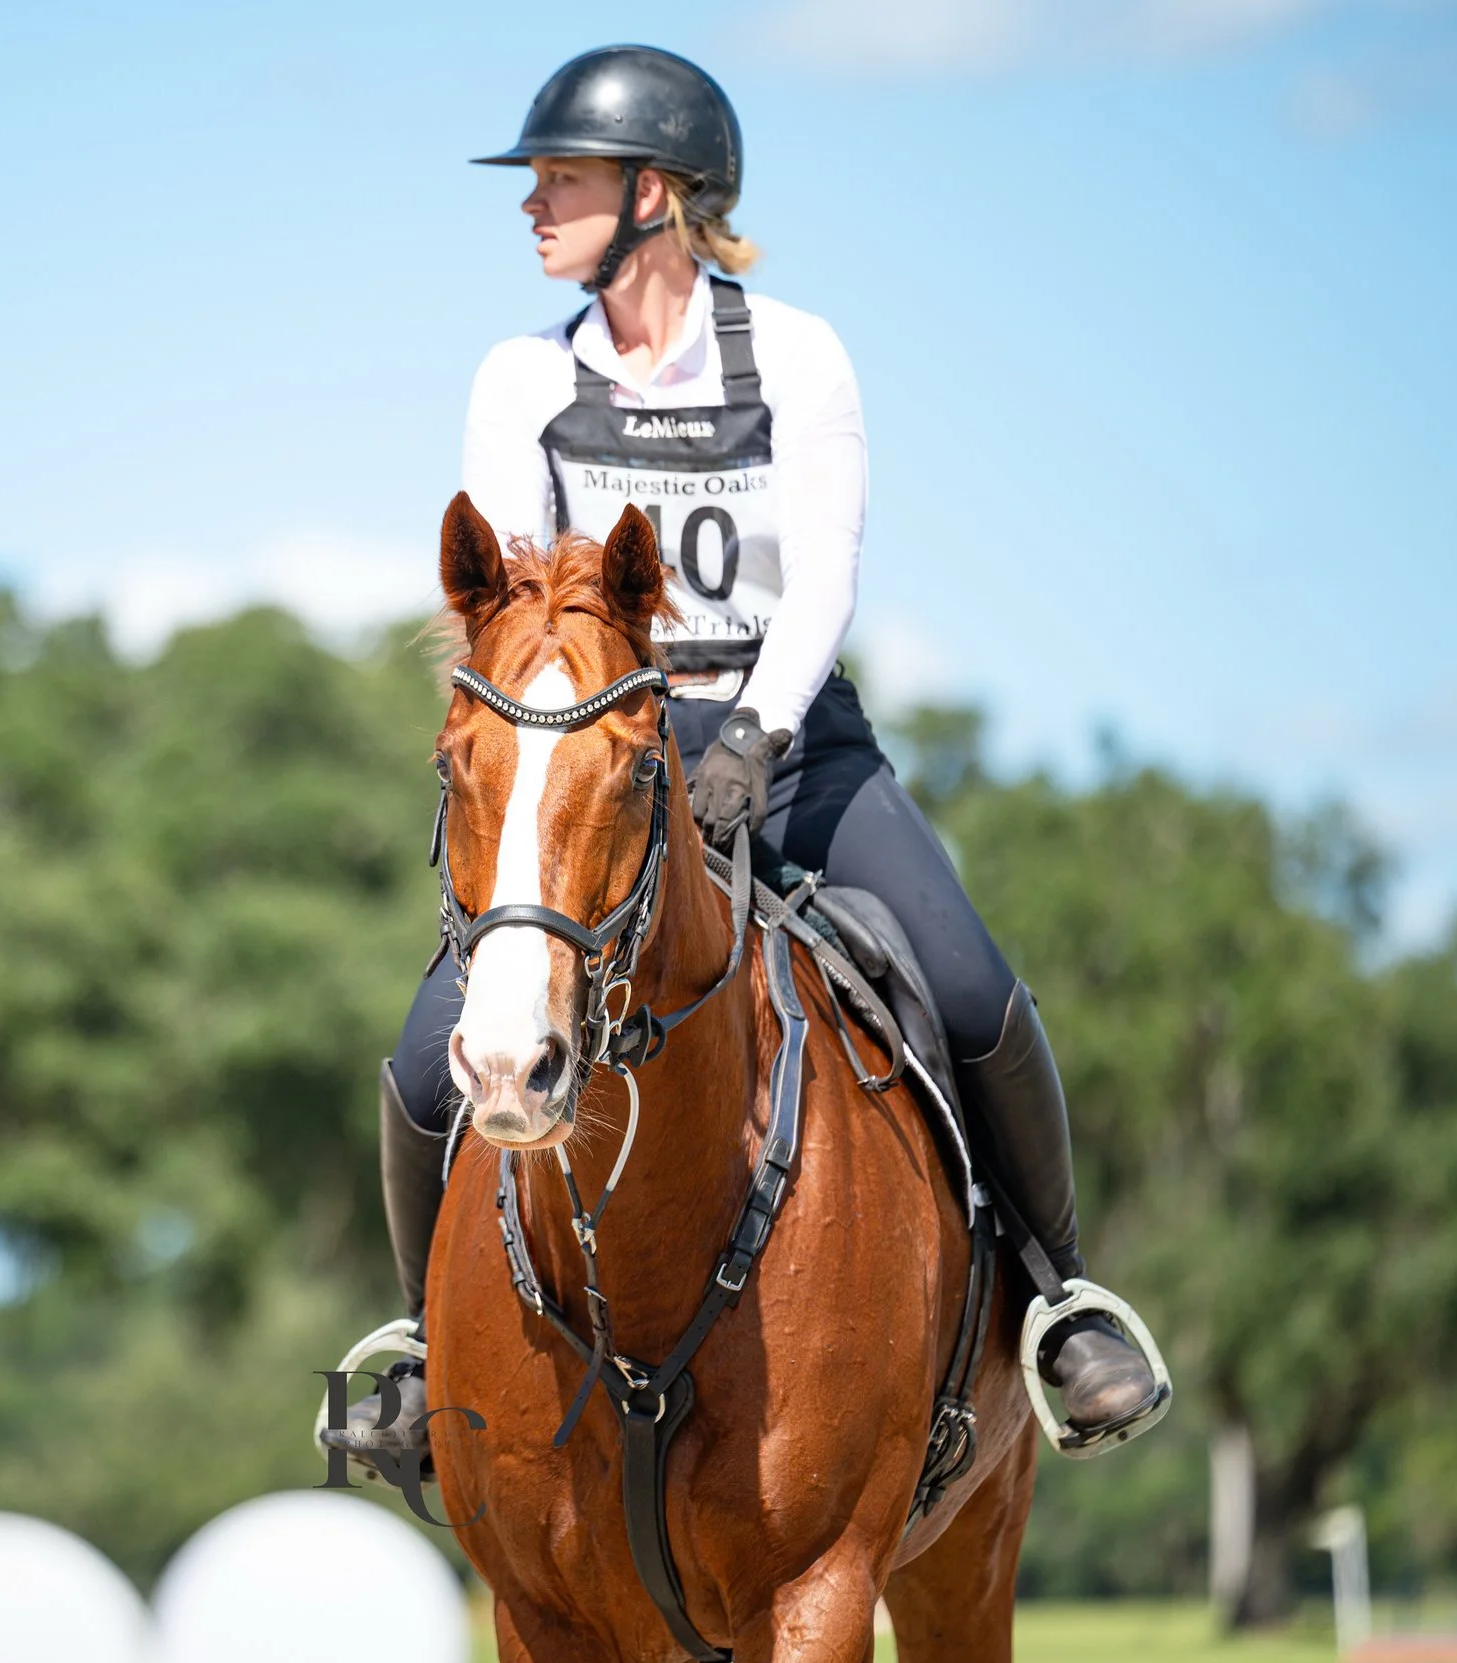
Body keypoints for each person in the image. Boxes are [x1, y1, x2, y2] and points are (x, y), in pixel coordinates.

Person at [326, 45, 1165, 1471]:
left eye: (563, 179)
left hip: (793, 748)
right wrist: (613, 740)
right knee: (424, 1059)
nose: (533, 203)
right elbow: (515, 597)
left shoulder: (796, 354)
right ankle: (423, 1345)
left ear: (656, 195)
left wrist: (757, 735)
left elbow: (824, 573)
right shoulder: (521, 375)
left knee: (964, 984)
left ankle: (1060, 1299)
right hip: (599, 760)